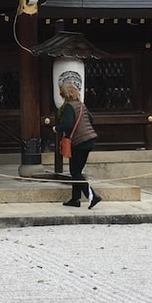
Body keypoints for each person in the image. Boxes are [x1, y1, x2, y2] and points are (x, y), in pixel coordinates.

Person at [56, 79, 101, 209]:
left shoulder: (70, 107)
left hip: (79, 142)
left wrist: (57, 128)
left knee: (75, 172)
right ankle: (75, 199)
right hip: (89, 140)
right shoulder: (81, 105)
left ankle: (92, 195)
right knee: (77, 171)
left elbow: (68, 124)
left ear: (65, 94)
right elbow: (91, 119)